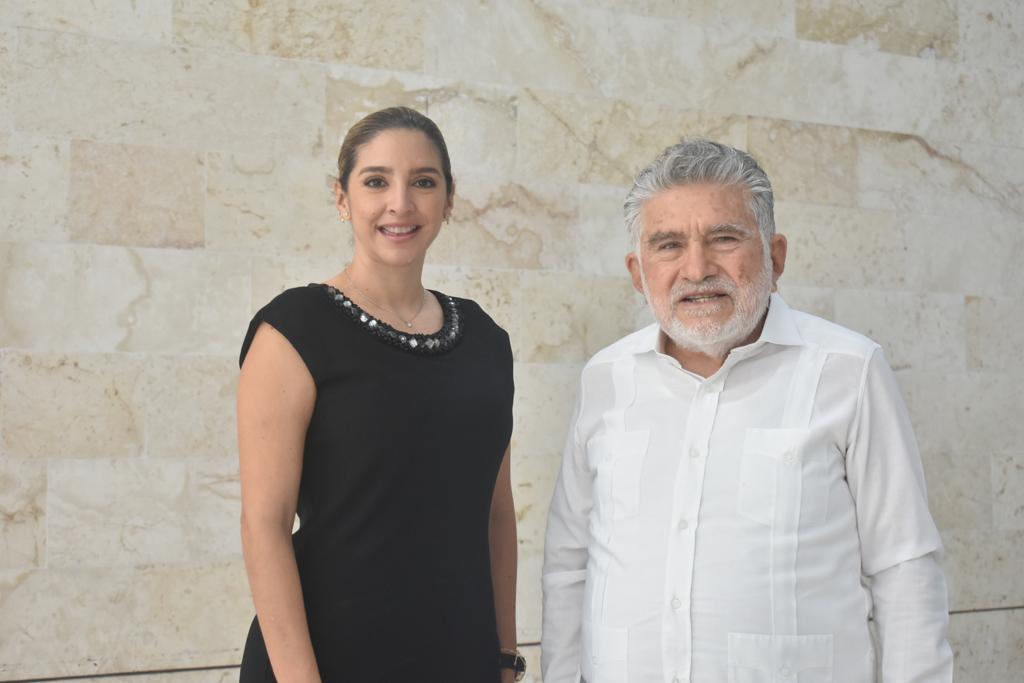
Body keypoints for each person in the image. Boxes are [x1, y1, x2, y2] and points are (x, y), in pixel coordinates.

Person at [541, 139, 952, 682]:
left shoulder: (848, 371)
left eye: (724, 238)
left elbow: (904, 566)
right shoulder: (605, 378)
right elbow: (569, 564)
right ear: (639, 273)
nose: (696, 268)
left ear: (775, 258)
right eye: (668, 245)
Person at [236, 107, 525, 682]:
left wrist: (505, 656)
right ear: (342, 199)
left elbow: (495, 512)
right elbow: (264, 525)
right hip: (327, 659)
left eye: (423, 182)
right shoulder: (293, 330)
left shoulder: (486, 340)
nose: (401, 203)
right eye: (376, 181)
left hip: (460, 656)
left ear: (448, 199)